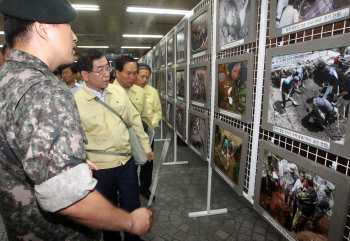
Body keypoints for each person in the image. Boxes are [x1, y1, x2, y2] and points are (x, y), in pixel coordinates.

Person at [0, 0, 152, 240]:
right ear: (42, 28)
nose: (74, 37)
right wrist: (131, 221)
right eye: (68, 26)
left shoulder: (8, 78)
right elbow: (69, 199)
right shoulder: (46, 91)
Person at [75, 49, 153, 241]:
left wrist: (146, 146)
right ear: (85, 75)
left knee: (132, 206)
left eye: (107, 68)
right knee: (107, 214)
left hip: (126, 164)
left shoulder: (117, 91)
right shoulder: (75, 102)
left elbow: (135, 120)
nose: (106, 74)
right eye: (99, 70)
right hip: (101, 169)